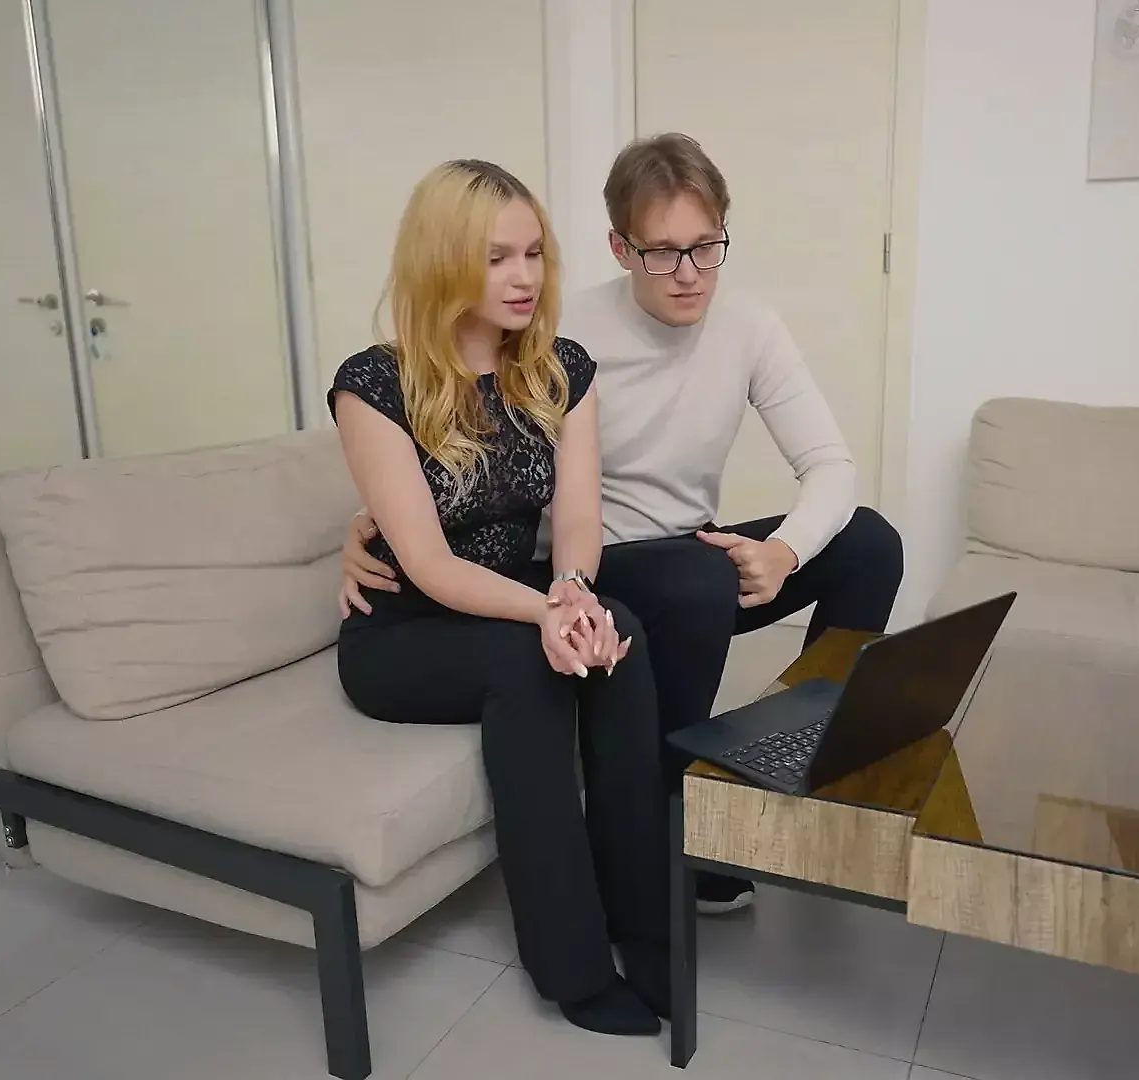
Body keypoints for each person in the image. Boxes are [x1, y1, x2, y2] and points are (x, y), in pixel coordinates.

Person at [340, 134, 906, 916]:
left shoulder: (749, 326)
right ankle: (678, 822)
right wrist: (371, 522)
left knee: (869, 543)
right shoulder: (557, 329)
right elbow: (459, 445)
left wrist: (783, 551)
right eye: (663, 252)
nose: (689, 273)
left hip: (690, 556)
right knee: (696, 577)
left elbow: (831, 465)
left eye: (706, 247)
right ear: (620, 248)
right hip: (599, 568)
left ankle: (798, 767)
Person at [329, 159, 670, 1036]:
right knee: (531, 666)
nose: (524, 277)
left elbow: (580, 514)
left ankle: (647, 926)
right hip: (402, 630)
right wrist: (545, 615)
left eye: (534, 253)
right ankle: (572, 968)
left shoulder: (560, 370)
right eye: (495, 259)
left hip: (510, 595)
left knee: (620, 634)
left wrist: (575, 594)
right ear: (442, 262)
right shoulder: (373, 385)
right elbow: (427, 563)